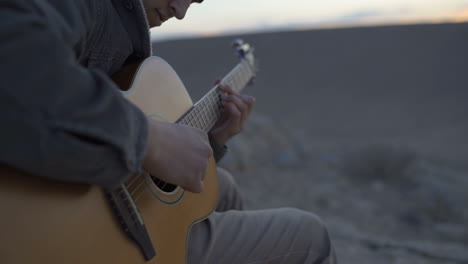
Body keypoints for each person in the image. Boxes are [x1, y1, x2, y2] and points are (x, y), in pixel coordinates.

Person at [0, 0, 336, 263]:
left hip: (102, 204)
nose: (179, 11)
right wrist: (151, 140)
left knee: (225, 189)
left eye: (195, 2)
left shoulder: (118, 22)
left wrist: (213, 139)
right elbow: (14, 67)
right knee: (311, 238)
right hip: (58, 238)